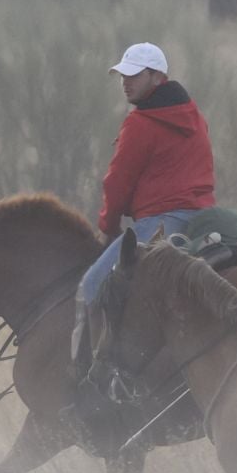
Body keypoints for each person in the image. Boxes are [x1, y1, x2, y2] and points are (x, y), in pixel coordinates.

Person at [74, 43, 215, 368]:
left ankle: (86, 374)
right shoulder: (194, 116)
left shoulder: (140, 123)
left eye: (135, 75)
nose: (126, 82)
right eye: (123, 75)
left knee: (91, 286)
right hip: (203, 220)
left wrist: (108, 228)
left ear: (157, 76)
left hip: (161, 222)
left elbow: (117, 182)